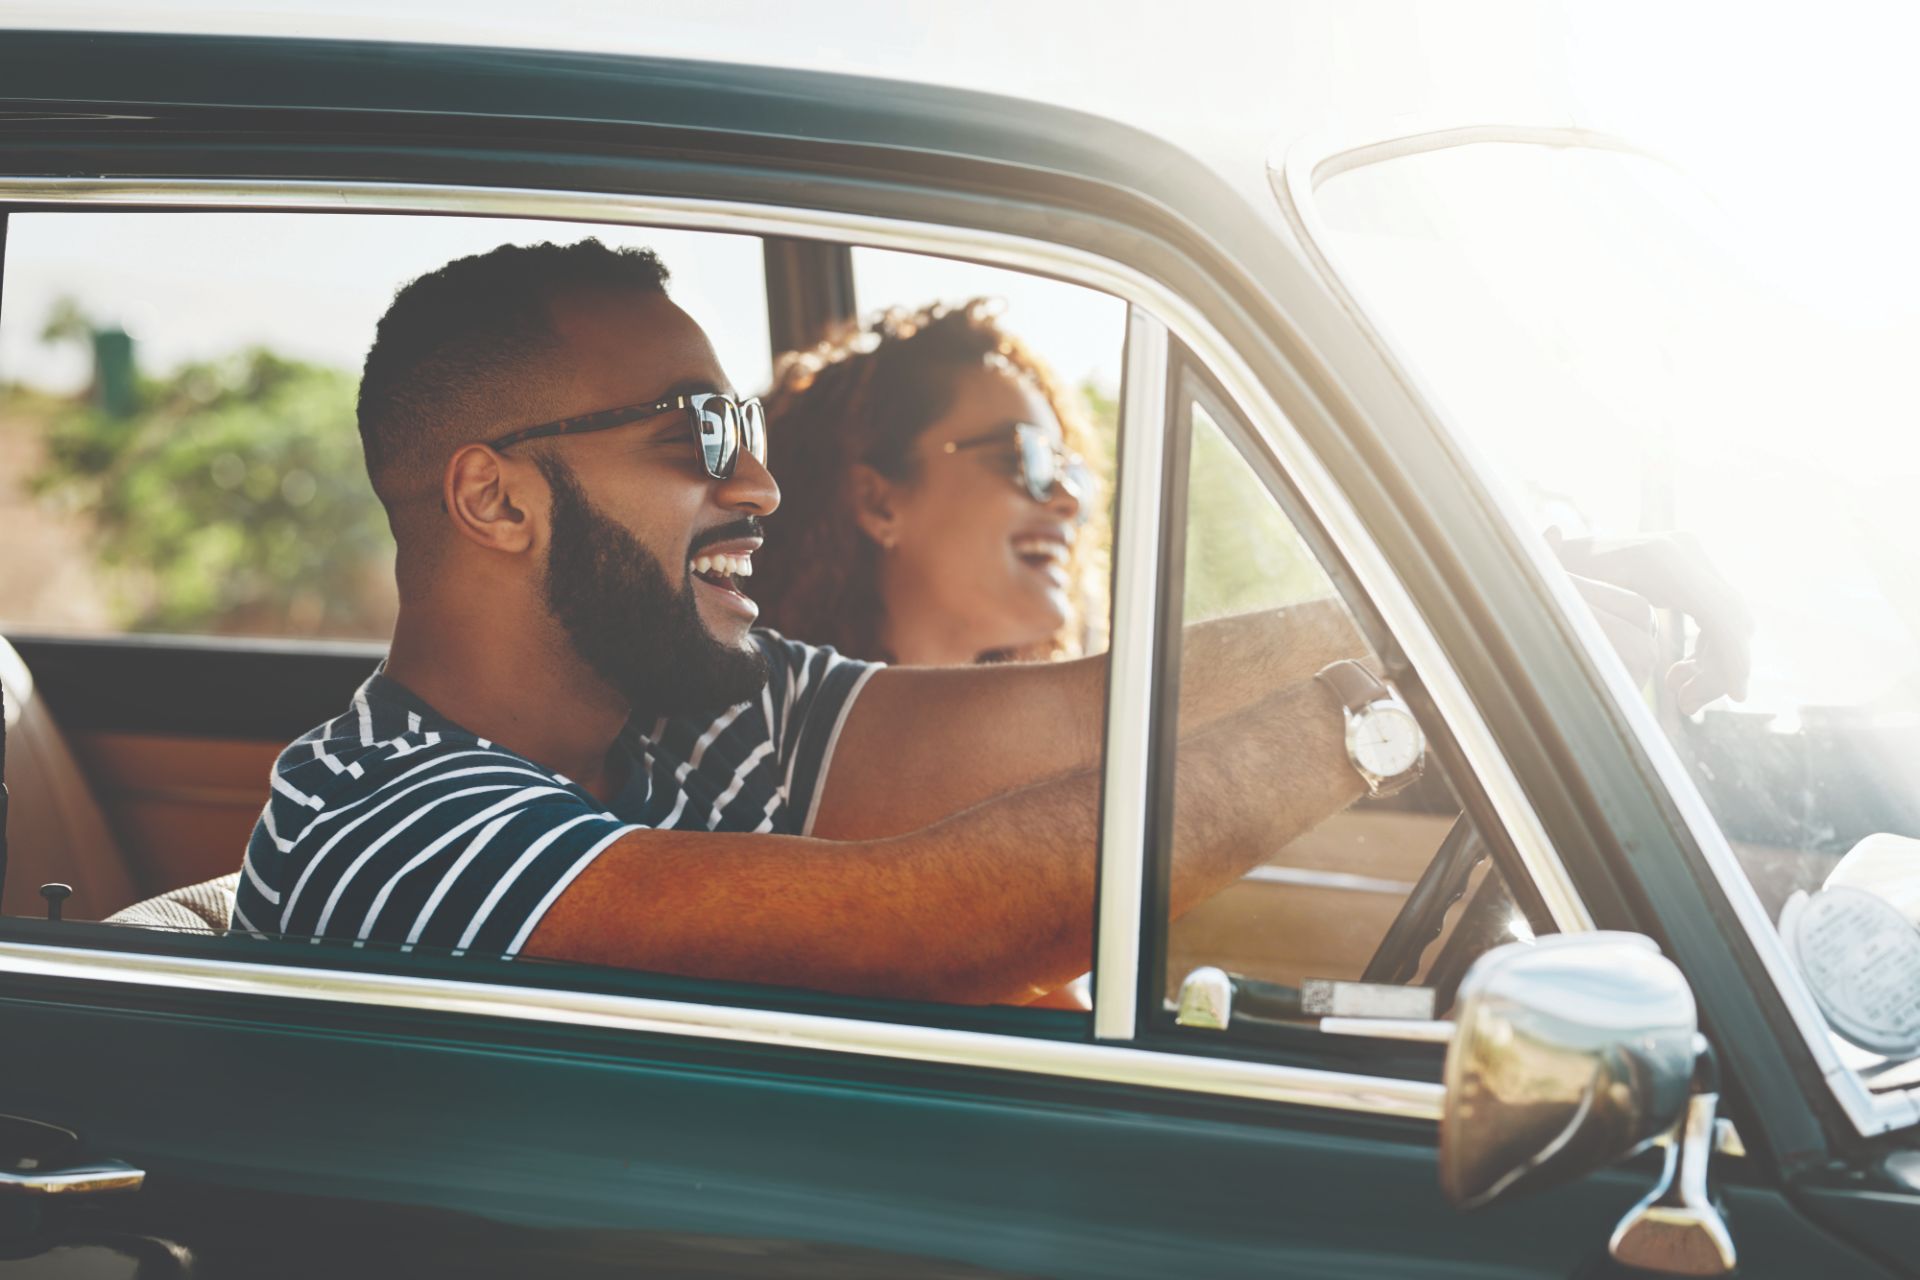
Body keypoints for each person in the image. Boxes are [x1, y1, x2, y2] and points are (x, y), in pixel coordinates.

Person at [232, 238, 1740, 1005]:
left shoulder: (699, 714)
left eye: (746, 422)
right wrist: (1395, 716)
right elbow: (919, 923)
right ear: (496, 502)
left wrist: (1490, 614)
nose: (757, 480)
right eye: (695, 430)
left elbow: (1089, 718)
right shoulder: (387, 835)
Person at [750, 299, 1104, 665]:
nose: (1068, 499)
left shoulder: (1052, 721)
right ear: (878, 502)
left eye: (1070, 472)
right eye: (1024, 458)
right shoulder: (771, 718)